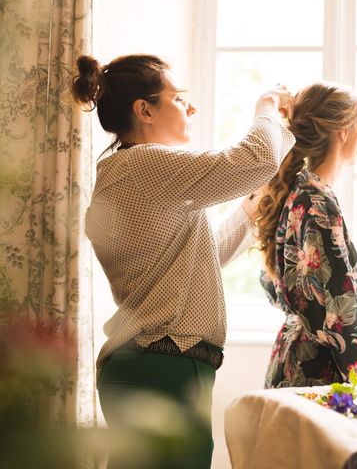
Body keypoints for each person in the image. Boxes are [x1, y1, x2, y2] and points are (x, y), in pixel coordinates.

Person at [72, 53, 295, 468]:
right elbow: (257, 159)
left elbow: (207, 254)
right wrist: (266, 105)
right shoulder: (142, 165)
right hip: (165, 367)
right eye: (179, 98)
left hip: (151, 365)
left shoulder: (134, 174)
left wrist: (249, 212)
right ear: (144, 109)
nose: (191, 107)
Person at [254, 81, 357, 389]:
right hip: (313, 374)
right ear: (343, 132)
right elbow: (341, 318)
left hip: (291, 361)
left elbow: (274, 284)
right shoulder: (317, 202)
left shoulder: (294, 192)